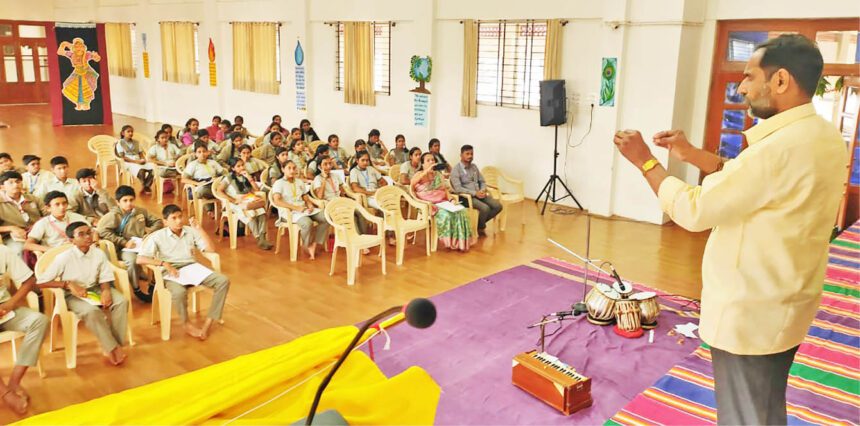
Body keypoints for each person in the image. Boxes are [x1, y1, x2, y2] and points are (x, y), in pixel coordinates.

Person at [611, 34, 847, 425]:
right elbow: (751, 183)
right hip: (787, 300)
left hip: (753, 310)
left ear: (781, 81)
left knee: (744, 415)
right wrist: (690, 155)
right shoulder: (822, 136)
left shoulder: (776, 150)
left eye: (749, 76)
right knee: (765, 405)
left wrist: (646, 163)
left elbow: (693, 210)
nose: (741, 87)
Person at [37, 222, 128, 365]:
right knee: (92, 312)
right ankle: (112, 347)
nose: (87, 236)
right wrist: (67, 284)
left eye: (89, 232)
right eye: (81, 234)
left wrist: (105, 290)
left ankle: (114, 344)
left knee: (121, 301)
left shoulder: (98, 253)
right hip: (72, 295)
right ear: (71, 240)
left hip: (95, 288)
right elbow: (41, 281)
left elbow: (105, 276)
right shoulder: (64, 258)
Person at [136, 204, 230, 340]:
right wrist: (164, 263)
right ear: (165, 221)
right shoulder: (157, 237)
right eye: (174, 218)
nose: (179, 221)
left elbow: (210, 249)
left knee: (223, 281)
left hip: (192, 268)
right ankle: (186, 324)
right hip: (170, 273)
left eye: (180, 216)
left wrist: (199, 229)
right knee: (179, 292)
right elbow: (140, 259)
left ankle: (210, 321)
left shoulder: (190, 231)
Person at [0, 244, 48, 415]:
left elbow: (29, 280)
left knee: (39, 321)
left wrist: (11, 303)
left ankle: (14, 381)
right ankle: (5, 393)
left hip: (4, 309)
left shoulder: (3, 251)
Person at [96, 185, 163, 302]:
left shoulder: (140, 212)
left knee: (159, 253)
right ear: (118, 202)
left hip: (140, 245)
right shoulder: (113, 215)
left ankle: (154, 283)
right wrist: (123, 242)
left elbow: (158, 221)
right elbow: (102, 230)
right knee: (132, 261)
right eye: (125, 201)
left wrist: (149, 233)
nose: (129, 203)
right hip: (123, 249)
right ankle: (137, 289)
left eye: (131, 200)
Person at [412, 153, 473, 251]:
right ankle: (448, 243)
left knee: (463, 212)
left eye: (432, 160)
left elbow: (445, 191)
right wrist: (426, 171)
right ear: (422, 164)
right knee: (446, 215)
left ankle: (460, 243)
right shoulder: (418, 174)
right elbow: (412, 184)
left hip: (443, 202)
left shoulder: (438, 175)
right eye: (428, 160)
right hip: (429, 205)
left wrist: (452, 200)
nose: (431, 162)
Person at [271, 161, 329, 259]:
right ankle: (306, 245)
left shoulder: (299, 181)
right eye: (289, 168)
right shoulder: (279, 183)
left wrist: (310, 204)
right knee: (307, 223)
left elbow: (304, 195)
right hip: (289, 212)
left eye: (294, 168)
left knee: (326, 217)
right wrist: (296, 208)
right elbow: (277, 201)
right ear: (282, 169)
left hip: (303, 209)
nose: (292, 170)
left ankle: (314, 243)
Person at [214, 158, 272, 250]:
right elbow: (219, 191)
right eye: (238, 166)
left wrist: (250, 179)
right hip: (234, 203)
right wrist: (232, 200)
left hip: (247, 200)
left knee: (261, 212)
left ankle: (262, 238)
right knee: (251, 215)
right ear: (233, 168)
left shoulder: (245, 176)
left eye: (242, 165)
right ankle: (258, 238)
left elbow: (257, 190)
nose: (242, 168)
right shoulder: (228, 178)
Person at [450, 145, 501, 236]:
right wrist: (474, 193)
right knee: (485, 208)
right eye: (467, 154)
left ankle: (478, 225)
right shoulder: (456, 170)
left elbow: (482, 181)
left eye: (472, 154)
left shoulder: (474, 167)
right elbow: (458, 189)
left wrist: (482, 190)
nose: (470, 156)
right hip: (466, 197)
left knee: (498, 206)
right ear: (461, 155)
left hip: (479, 194)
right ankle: (480, 226)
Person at [25, 191, 89, 253]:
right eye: (57, 204)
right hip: (55, 255)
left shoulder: (76, 217)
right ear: (48, 208)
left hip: (77, 252)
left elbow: (92, 232)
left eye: (64, 203)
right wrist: (52, 250)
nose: (62, 207)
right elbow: (28, 245)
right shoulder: (43, 223)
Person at [0, 172, 42, 256]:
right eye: (11, 182)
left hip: (37, 233)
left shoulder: (33, 199)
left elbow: (48, 215)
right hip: (13, 237)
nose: (15, 185)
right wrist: (11, 228)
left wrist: (39, 226)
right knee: (19, 251)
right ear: (2, 187)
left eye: (18, 181)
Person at [182, 142, 225, 214]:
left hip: (214, 183)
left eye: (204, 151)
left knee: (226, 187)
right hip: (202, 185)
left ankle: (217, 208)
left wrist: (218, 179)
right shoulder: (193, 165)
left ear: (208, 152)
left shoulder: (213, 162)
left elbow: (224, 173)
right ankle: (218, 204)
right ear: (195, 154)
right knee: (202, 191)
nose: (202, 154)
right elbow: (184, 179)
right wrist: (198, 183)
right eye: (199, 152)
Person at [115, 125, 154, 194]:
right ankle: (145, 187)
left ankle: (146, 186)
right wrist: (136, 162)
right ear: (123, 133)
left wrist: (143, 159)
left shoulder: (136, 142)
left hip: (138, 160)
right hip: (128, 162)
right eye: (128, 131)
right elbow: (123, 157)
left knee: (154, 168)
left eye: (132, 132)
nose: (130, 133)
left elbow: (140, 153)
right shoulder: (120, 143)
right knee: (141, 170)